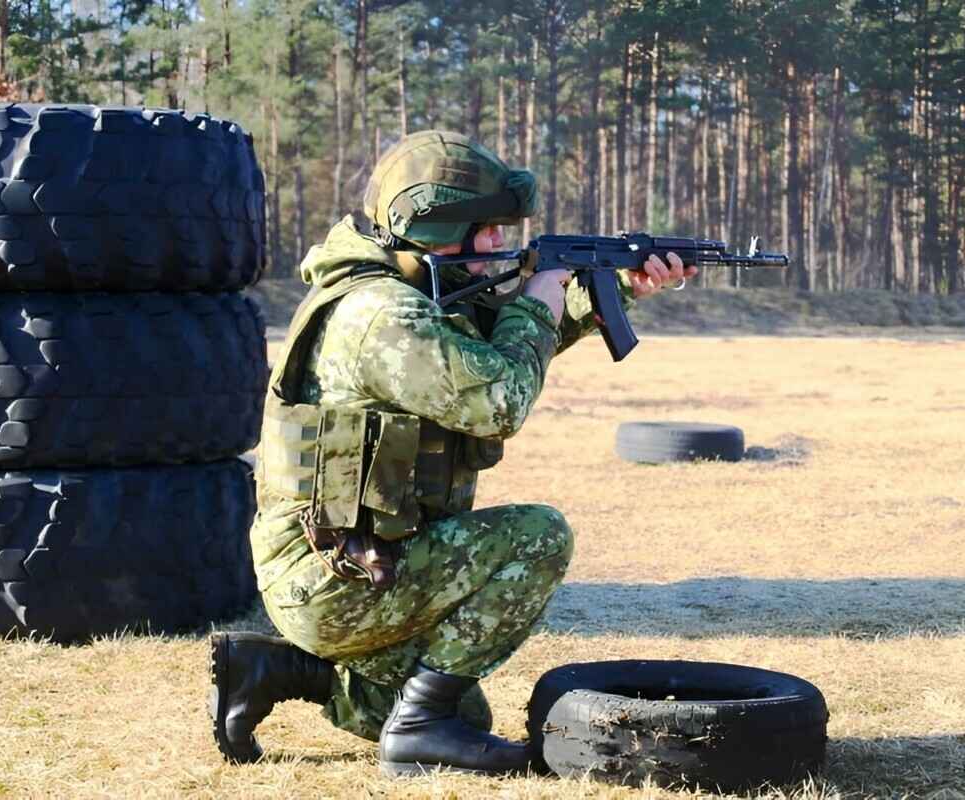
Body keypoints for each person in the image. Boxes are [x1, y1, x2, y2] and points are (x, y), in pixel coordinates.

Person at [209, 130, 696, 776]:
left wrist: (615, 290)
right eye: (486, 229)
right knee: (538, 537)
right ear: (436, 227)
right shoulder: (381, 316)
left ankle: (270, 670)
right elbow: (500, 397)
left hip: (348, 561)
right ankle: (416, 730)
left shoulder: (409, 292)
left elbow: (498, 344)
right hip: (339, 576)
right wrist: (542, 296)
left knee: (468, 717)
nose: (501, 244)